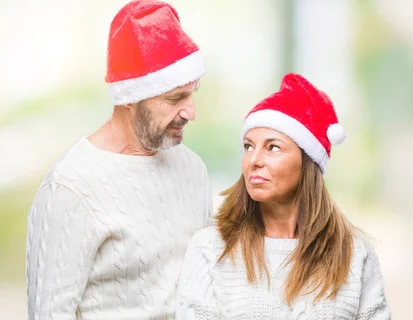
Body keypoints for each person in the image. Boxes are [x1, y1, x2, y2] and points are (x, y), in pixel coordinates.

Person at [25, 1, 213, 318]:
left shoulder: (193, 168)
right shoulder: (70, 186)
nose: (190, 111)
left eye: (192, 93)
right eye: (175, 98)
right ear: (130, 97)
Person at [175, 73, 390, 319]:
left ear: (308, 161)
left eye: (273, 147)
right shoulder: (211, 248)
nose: (254, 160)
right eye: (248, 146)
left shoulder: (354, 254)